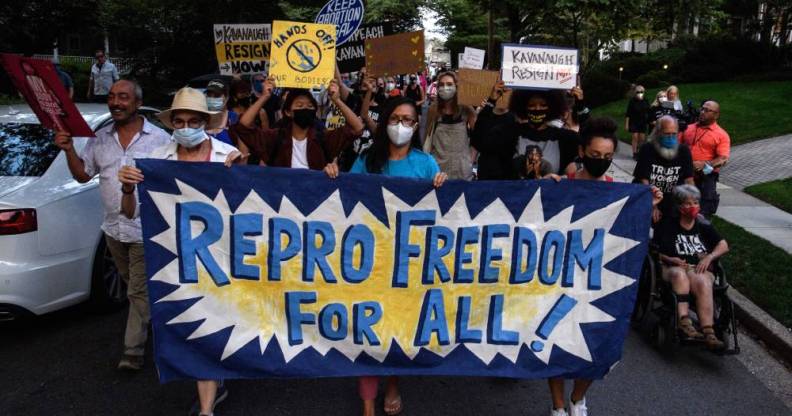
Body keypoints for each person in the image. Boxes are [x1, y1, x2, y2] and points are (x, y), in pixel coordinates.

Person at [117, 87, 243, 416]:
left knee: (212, 321)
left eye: (193, 121)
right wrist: (128, 187)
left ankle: (206, 409)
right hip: (173, 260)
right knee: (190, 324)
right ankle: (212, 386)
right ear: (172, 123)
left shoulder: (225, 155)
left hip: (218, 257)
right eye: (180, 121)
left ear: (206, 122)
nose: (186, 127)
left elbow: (247, 206)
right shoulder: (157, 159)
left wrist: (243, 171)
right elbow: (130, 212)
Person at [323, 97, 447, 416]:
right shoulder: (367, 159)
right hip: (371, 260)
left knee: (397, 329)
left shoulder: (426, 164)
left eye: (407, 120)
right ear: (385, 121)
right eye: (395, 118)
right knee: (369, 328)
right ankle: (367, 405)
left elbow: (443, 213)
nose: (400, 125)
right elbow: (347, 197)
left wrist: (442, 185)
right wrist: (334, 173)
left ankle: (393, 382)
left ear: (416, 125)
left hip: (409, 263)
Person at [52, 79, 171, 370]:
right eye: (113, 97)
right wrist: (68, 149)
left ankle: (132, 352)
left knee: (137, 291)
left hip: (146, 229)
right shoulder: (100, 137)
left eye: (123, 97)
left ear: (137, 103)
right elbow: (82, 175)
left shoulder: (160, 140)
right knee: (134, 285)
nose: (116, 102)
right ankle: (160, 320)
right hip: (113, 230)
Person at [549, 118, 662, 416]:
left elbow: (634, 234)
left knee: (597, 344)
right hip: (561, 278)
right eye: (596, 155)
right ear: (583, 151)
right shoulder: (564, 185)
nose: (601, 161)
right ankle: (558, 406)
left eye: (608, 157)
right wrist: (549, 188)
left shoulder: (619, 193)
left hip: (599, 284)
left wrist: (647, 206)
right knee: (555, 341)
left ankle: (578, 399)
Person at [653, 184, 729, 350]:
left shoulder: (703, 225)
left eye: (695, 202)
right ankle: (684, 322)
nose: (693, 207)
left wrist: (709, 257)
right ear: (680, 207)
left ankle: (709, 331)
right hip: (673, 268)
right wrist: (671, 259)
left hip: (697, 268)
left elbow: (723, 245)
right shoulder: (668, 225)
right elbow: (656, 251)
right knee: (680, 275)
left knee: (702, 280)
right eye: (688, 204)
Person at [232, 79, 364, 169]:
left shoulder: (323, 139)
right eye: (299, 105)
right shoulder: (275, 138)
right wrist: (264, 97)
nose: (305, 109)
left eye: (309, 106)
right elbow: (244, 126)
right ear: (289, 112)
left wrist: (337, 100)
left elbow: (357, 128)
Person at [476, 89, 579, 179]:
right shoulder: (510, 132)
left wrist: (581, 106)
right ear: (523, 107)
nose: (537, 109)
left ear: (552, 107)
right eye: (532, 105)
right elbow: (481, 140)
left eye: (543, 105)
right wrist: (491, 101)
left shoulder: (563, 137)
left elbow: (588, 143)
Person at [633, 115, 695, 221]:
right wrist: (652, 206)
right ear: (658, 132)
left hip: (672, 202)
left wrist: (691, 204)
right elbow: (643, 180)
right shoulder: (647, 149)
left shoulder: (684, 151)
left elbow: (689, 180)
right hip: (648, 197)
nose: (671, 137)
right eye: (667, 134)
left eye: (674, 134)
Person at [679, 100, 730, 217]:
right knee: (680, 206)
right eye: (702, 109)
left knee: (703, 212)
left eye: (707, 110)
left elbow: (723, 158)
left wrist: (704, 164)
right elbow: (675, 147)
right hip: (684, 174)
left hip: (706, 176)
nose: (702, 112)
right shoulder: (688, 128)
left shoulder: (721, 134)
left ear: (716, 115)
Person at [423, 71, 477, 180]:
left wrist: (470, 159)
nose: (445, 87)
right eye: (441, 85)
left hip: (462, 169)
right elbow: (427, 137)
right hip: (438, 170)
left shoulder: (466, 109)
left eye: (449, 84)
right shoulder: (433, 109)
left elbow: (478, 136)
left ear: (456, 86)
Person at [471, 79, 513, 180]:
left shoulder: (515, 117)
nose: (504, 92)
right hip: (486, 174)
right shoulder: (487, 114)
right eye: (502, 90)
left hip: (508, 176)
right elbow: (477, 139)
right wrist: (491, 101)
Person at [625, 85, 649, 160]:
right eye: (638, 92)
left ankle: (640, 151)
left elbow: (649, 110)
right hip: (634, 121)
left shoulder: (645, 100)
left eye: (641, 92)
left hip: (643, 121)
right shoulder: (632, 101)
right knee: (635, 137)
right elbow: (628, 114)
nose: (640, 93)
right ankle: (634, 152)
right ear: (635, 93)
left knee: (642, 138)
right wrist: (626, 124)